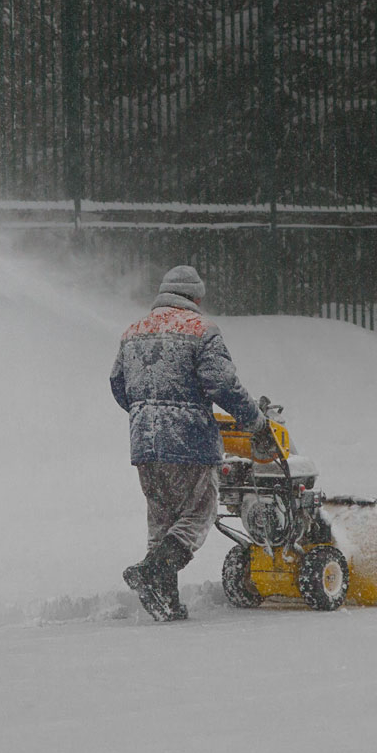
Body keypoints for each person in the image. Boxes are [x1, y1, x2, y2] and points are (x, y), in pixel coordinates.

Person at [109, 264, 268, 621]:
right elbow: (223, 385)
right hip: (189, 441)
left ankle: (165, 602)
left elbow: (118, 385)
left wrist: (146, 414)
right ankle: (152, 571)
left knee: (161, 518)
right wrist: (255, 421)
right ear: (195, 298)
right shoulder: (201, 330)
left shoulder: (133, 331)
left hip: (144, 443)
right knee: (199, 512)